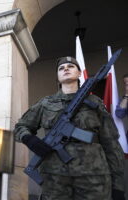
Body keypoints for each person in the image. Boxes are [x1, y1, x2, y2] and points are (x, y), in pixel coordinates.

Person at [14, 57, 125, 200]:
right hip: (55, 178)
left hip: (94, 177)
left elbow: (111, 144)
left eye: (71, 66)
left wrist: (118, 186)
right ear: (58, 77)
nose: (65, 69)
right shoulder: (46, 103)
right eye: (61, 68)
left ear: (79, 73)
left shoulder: (95, 103)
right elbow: (20, 126)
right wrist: (29, 139)